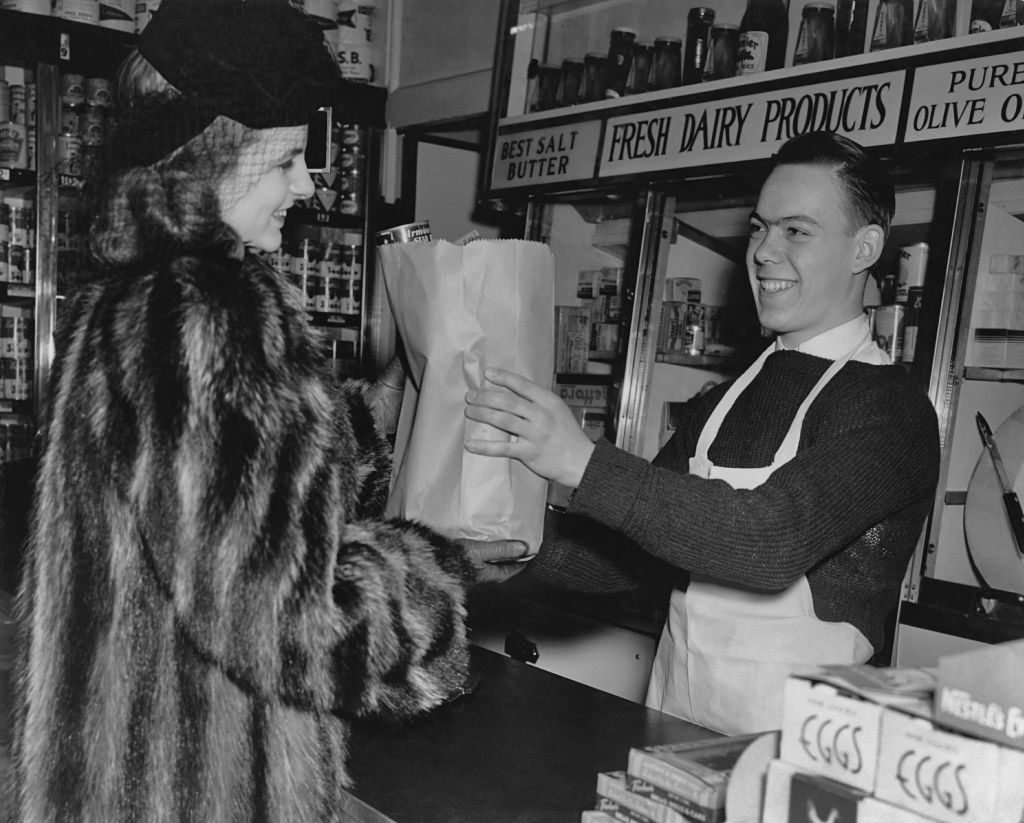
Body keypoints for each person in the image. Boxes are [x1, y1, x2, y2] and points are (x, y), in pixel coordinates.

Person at [12, 2, 523, 821]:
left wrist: (370, 413)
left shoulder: (125, 301)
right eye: (286, 159)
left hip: (117, 773)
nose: (309, 184)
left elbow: (214, 488)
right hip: (200, 786)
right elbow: (282, 623)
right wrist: (436, 573)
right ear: (206, 158)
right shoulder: (207, 311)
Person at [464, 131, 940, 736]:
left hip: (798, 751)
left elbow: (769, 541)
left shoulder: (891, 409)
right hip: (676, 725)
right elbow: (627, 564)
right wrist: (511, 550)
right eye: (760, 228)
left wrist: (582, 463)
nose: (765, 251)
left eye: (797, 230)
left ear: (864, 247)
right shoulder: (723, 400)